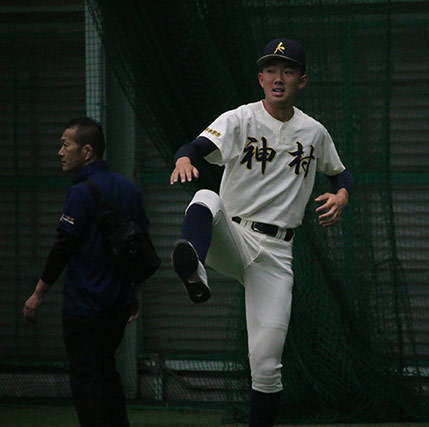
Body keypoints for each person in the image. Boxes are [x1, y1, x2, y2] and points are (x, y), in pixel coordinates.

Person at [169, 38, 353, 426]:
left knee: (267, 366)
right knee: (206, 196)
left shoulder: (314, 131)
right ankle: (194, 266)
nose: (278, 77)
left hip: (277, 255)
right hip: (233, 236)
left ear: (302, 80)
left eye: (287, 70)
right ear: (260, 78)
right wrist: (184, 158)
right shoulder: (240, 119)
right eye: (270, 70)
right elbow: (194, 146)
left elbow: (340, 172)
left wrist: (342, 195)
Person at [23, 117, 152, 427]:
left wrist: (38, 294)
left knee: (86, 377)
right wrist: (136, 291)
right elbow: (142, 246)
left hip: (84, 305)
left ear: (87, 151)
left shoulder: (80, 193)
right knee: (106, 370)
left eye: (66, 145)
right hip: (118, 304)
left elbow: (63, 247)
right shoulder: (129, 189)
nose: (60, 152)